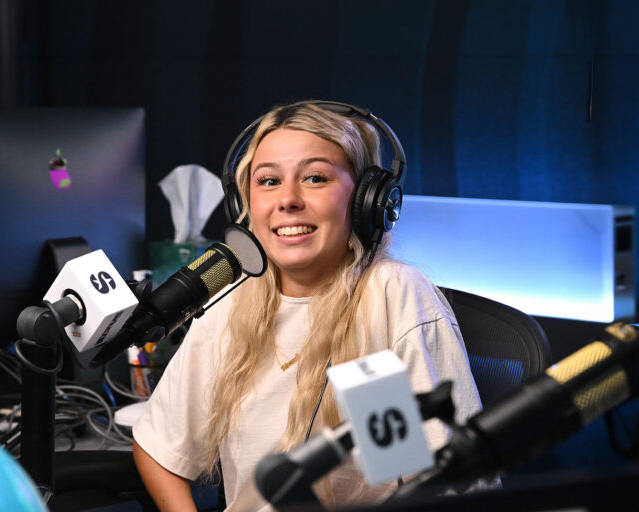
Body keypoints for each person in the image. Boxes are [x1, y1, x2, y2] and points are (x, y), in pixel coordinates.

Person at [132, 101, 482, 510]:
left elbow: (449, 484)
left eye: (315, 178)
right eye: (268, 181)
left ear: (366, 201)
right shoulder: (234, 301)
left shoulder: (390, 296)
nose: (288, 199)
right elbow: (159, 447)